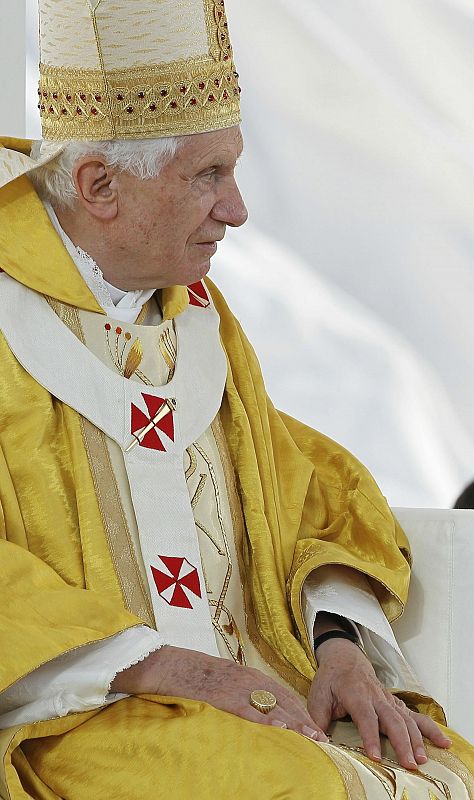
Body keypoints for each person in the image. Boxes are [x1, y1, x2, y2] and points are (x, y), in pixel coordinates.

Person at [0, 1, 471, 798]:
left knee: (438, 767)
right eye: (207, 176)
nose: (237, 209)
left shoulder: (198, 317)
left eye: (234, 169)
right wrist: (173, 669)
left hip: (254, 694)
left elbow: (301, 496)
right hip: (78, 714)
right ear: (99, 184)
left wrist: (340, 648)